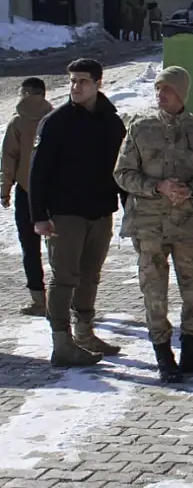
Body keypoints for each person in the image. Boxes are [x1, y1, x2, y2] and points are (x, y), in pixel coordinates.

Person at [114, 66, 193, 383]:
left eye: (168, 89)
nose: (160, 94)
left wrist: (191, 190)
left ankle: (192, 350)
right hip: (149, 226)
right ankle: (164, 355)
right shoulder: (140, 128)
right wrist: (156, 187)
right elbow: (122, 173)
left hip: (187, 224)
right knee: (155, 291)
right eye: (158, 88)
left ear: (182, 94)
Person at [29, 58, 127, 367]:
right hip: (64, 214)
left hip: (100, 213)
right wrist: (39, 216)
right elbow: (37, 173)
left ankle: (85, 332)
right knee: (64, 278)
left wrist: (130, 209)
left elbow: (122, 170)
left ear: (99, 83)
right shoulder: (56, 122)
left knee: (90, 276)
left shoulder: (112, 121)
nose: (75, 87)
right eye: (72, 81)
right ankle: (62, 343)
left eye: (82, 81)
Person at [2, 77, 53, 317]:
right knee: (59, 248)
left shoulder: (17, 122)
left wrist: (4, 189)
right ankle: (65, 297)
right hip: (54, 194)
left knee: (29, 247)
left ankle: (38, 299)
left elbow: (8, 159)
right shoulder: (56, 119)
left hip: (25, 192)